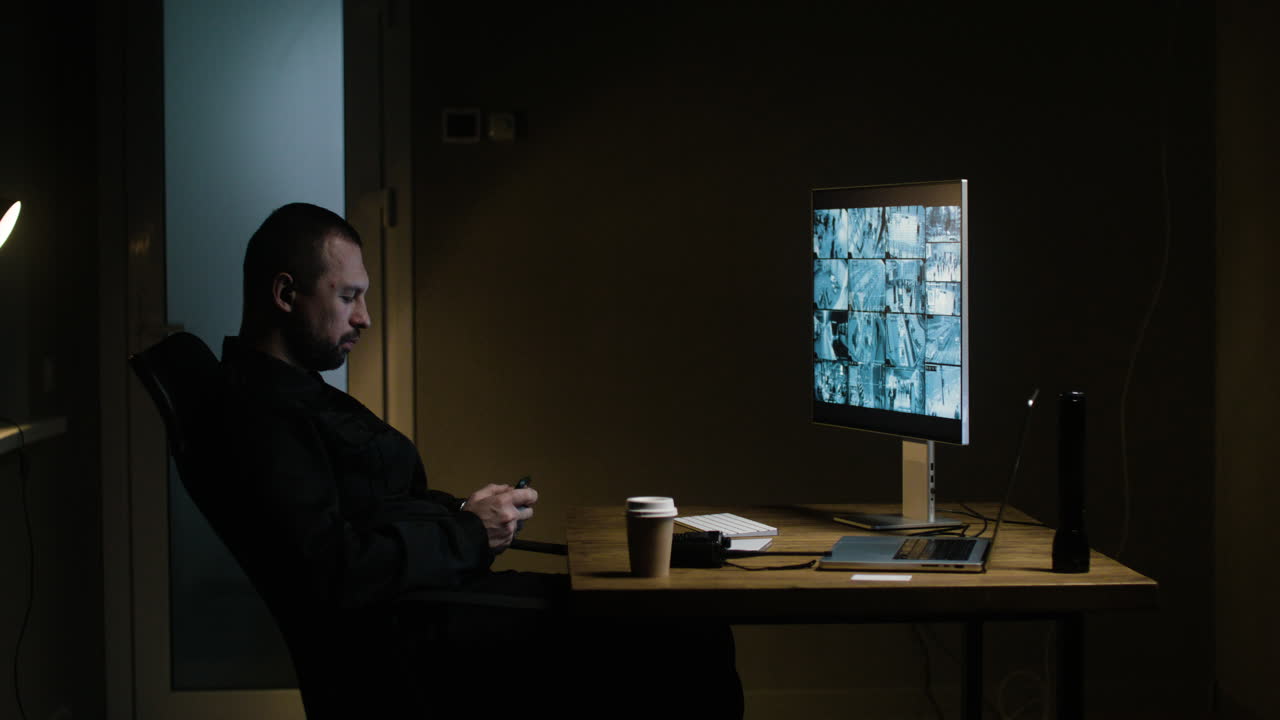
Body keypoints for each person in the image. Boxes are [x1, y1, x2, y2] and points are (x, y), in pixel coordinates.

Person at [193, 202, 741, 718]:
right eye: (347, 297)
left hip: (433, 604)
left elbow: (372, 507)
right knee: (686, 632)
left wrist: (465, 511)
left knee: (681, 618)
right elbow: (331, 567)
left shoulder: (293, 391)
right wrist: (468, 534)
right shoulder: (261, 414)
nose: (363, 318)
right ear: (286, 294)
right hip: (408, 639)